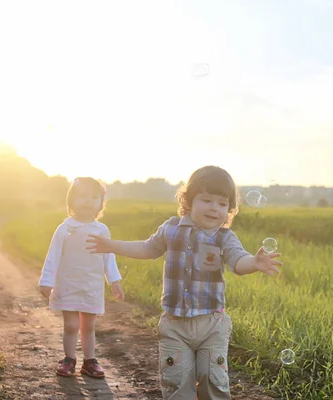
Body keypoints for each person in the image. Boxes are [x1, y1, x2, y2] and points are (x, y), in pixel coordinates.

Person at [86, 165, 282, 399]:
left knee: (213, 381)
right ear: (188, 201)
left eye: (222, 204)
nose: (214, 208)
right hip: (174, 325)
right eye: (207, 200)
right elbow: (148, 248)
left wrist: (254, 263)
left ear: (230, 209)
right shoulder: (171, 229)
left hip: (212, 324)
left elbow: (238, 261)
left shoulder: (224, 238)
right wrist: (112, 245)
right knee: (177, 384)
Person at [38, 177, 124, 379]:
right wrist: (47, 280)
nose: (88, 200)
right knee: (71, 325)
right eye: (82, 196)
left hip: (92, 286)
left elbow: (108, 257)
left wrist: (114, 281)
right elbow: (53, 256)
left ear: (100, 204)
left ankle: (89, 361)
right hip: (68, 284)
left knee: (89, 326)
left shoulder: (101, 230)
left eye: (94, 197)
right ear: (71, 201)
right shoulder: (65, 229)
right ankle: (69, 359)